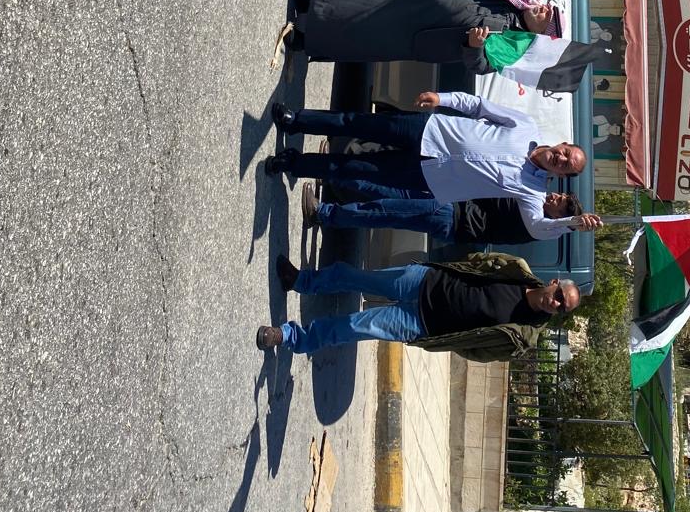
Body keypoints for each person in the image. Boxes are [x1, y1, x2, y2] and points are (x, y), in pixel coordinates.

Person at [265, 89, 603, 241]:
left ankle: (293, 163)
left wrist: (571, 223)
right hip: (429, 130)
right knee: (358, 123)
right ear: (563, 143)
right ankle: (297, 121)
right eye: (566, 153)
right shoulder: (526, 126)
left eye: (566, 166)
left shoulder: (533, 191)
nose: (561, 159)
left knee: (353, 170)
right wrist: (443, 99)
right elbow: (479, 106)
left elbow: (537, 227)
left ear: (561, 175)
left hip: (429, 176)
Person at [255, 251, 581, 360]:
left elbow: (478, 353)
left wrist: (445, 339)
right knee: (353, 276)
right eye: (559, 296)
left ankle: (290, 337)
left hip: (420, 322)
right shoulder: (518, 269)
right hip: (423, 280)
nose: (555, 303)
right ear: (554, 283)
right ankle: (301, 281)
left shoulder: (522, 338)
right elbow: (480, 261)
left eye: (561, 307)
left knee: (353, 327)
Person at [277, 0, 564, 70]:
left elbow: (480, 66)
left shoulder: (513, 45)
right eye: (547, 7)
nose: (542, 8)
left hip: (422, 31)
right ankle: (312, 0)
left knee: (364, 31)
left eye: (546, 15)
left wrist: (475, 47)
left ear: (542, 32)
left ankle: (306, 40)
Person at [300, 188, 584, 243]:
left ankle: (324, 214)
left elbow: (551, 226)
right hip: (452, 208)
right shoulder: (537, 207)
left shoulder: (537, 224)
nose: (555, 196)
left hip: (452, 215)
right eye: (560, 195)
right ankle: (337, 189)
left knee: (385, 211)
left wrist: (574, 222)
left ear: (559, 217)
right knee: (390, 200)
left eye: (560, 202)